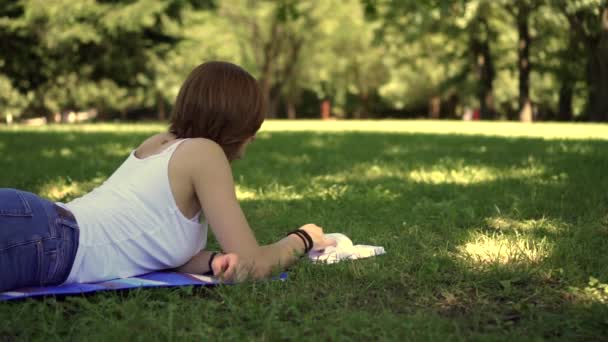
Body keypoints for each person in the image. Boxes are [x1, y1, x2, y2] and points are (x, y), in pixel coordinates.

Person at [0, 61, 336, 292]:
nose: (254, 137)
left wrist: (216, 261)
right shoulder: (205, 153)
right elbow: (252, 266)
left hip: (40, 227)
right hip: (46, 239)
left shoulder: (161, 145)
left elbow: (150, 245)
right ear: (240, 126)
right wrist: (302, 238)